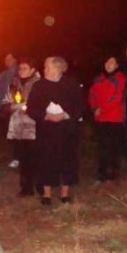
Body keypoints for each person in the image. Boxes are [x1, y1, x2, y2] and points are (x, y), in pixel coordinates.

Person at [26, 57, 85, 206]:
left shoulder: (71, 85)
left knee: (67, 160)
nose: (44, 70)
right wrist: (46, 115)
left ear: (57, 69)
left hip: (67, 130)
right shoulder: (39, 86)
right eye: (45, 67)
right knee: (46, 160)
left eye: (47, 67)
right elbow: (31, 108)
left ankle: (64, 194)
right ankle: (47, 194)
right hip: (46, 130)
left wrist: (65, 114)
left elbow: (80, 106)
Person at [3, 56, 41, 197]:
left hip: (33, 128)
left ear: (32, 70)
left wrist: (29, 108)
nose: (21, 71)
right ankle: (26, 188)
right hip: (18, 128)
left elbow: (41, 104)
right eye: (20, 68)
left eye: (25, 68)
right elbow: (6, 102)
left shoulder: (38, 84)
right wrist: (11, 107)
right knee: (23, 159)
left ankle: (39, 185)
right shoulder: (14, 84)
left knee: (35, 158)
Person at [88, 55, 126, 183]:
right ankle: (102, 172)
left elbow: (117, 97)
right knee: (102, 146)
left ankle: (114, 171)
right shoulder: (99, 78)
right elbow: (91, 95)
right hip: (101, 119)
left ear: (117, 65)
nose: (109, 64)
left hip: (114, 118)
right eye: (107, 62)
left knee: (114, 146)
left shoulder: (120, 78)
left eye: (112, 62)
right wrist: (94, 108)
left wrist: (102, 109)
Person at [0, 51, 19, 168]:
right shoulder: (2, 75)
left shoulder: (22, 71)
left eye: (9, 59)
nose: (7, 62)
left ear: (15, 59)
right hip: (7, 108)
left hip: (21, 107)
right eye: (5, 59)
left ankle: (20, 156)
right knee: (11, 133)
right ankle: (15, 156)